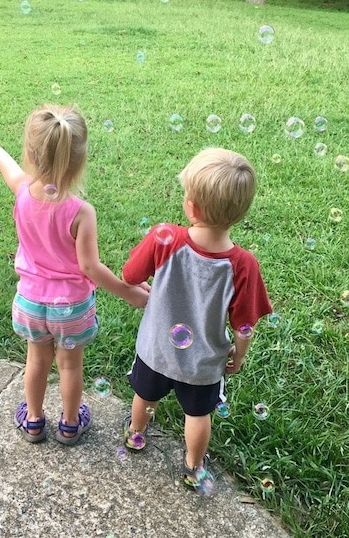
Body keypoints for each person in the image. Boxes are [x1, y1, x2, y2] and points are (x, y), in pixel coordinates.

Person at [0, 104, 149, 446]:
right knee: (69, 366)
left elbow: (0, 160)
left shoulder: (22, 191)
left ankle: (34, 421)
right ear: (79, 161)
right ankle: (69, 425)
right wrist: (129, 292)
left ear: (30, 154)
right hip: (71, 308)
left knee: (36, 360)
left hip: (30, 302)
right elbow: (90, 267)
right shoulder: (81, 211)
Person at [121, 147, 272, 494]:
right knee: (198, 415)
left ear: (191, 206)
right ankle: (193, 467)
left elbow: (130, 275)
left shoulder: (166, 238)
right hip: (203, 364)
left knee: (145, 395)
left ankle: (136, 434)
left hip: (156, 349)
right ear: (241, 212)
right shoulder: (243, 264)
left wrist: (141, 283)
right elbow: (244, 324)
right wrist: (239, 354)